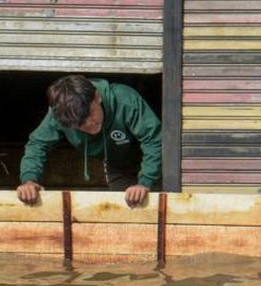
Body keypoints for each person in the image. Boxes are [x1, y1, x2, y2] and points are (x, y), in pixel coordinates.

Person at [17, 75, 161, 206]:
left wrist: (145, 182)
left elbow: (154, 139)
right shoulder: (61, 114)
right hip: (118, 165)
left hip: (158, 159)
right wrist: (29, 180)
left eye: (90, 114)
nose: (89, 124)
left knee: (157, 204)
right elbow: (38, 144)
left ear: (97, 97)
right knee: (125, 210)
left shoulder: (124, 99)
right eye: (80, 123)